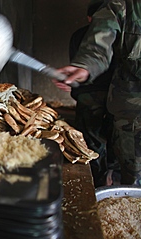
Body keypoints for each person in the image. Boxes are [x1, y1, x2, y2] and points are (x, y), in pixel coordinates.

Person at [52, 0, 141, 185]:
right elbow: (98, 44)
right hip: (127, 111)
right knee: (129, 172)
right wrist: (84, 67)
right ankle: (101, 180)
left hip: (98, 95)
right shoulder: (124, 6)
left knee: (95, 138)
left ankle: (101, 176)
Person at [68, 1, 119, 187]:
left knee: (90, 140)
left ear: (91, 18)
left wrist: (76, 90)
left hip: (88, 95)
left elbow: (76, 67)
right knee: (114, 137)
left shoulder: (79, 36)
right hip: (112, 94)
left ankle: (94, 179)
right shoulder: (116, 36)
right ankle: (110, 178)